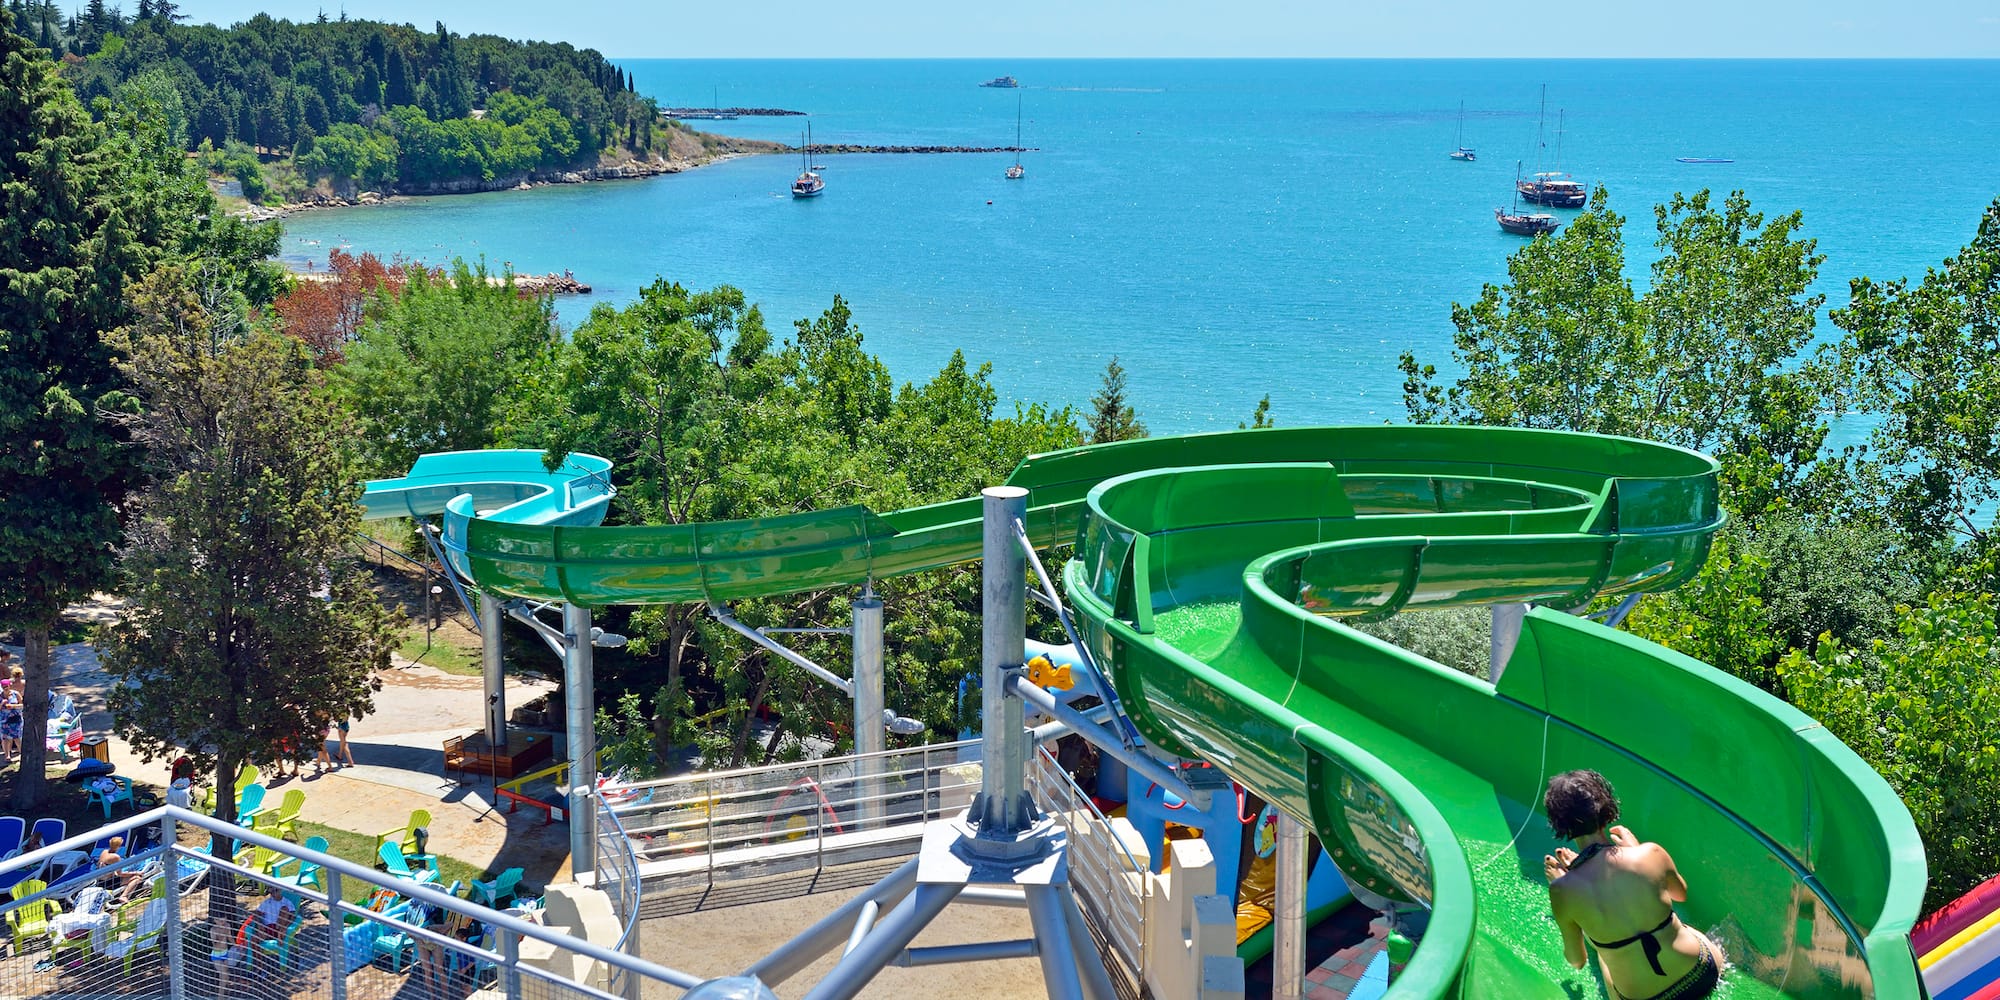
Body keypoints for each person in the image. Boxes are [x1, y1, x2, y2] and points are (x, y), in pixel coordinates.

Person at [1543, 770, 1722, 1000]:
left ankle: (1580, 878)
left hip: (1646, 998)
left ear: (1560, 823)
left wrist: (1565, 883)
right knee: (1658, 911)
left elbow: (1577, 961)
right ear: (1605, 807)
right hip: (1702, 972)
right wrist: (1635, 850)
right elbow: (1679, 894)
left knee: (1602, 948)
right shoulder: (1650, 853)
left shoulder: (1561, 891)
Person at [0, 667, 23, 765]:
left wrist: (13, 706)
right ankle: (7, 755)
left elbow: (22, 705)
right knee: (5, 738)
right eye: (4, 687)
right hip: (4, 720)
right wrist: (2, 704)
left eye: (7, 686)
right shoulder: (0, 696)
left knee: (17, 737)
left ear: (10, 686)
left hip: (16, 719)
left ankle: (22, 752)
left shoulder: (15, 694)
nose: (6, 688)